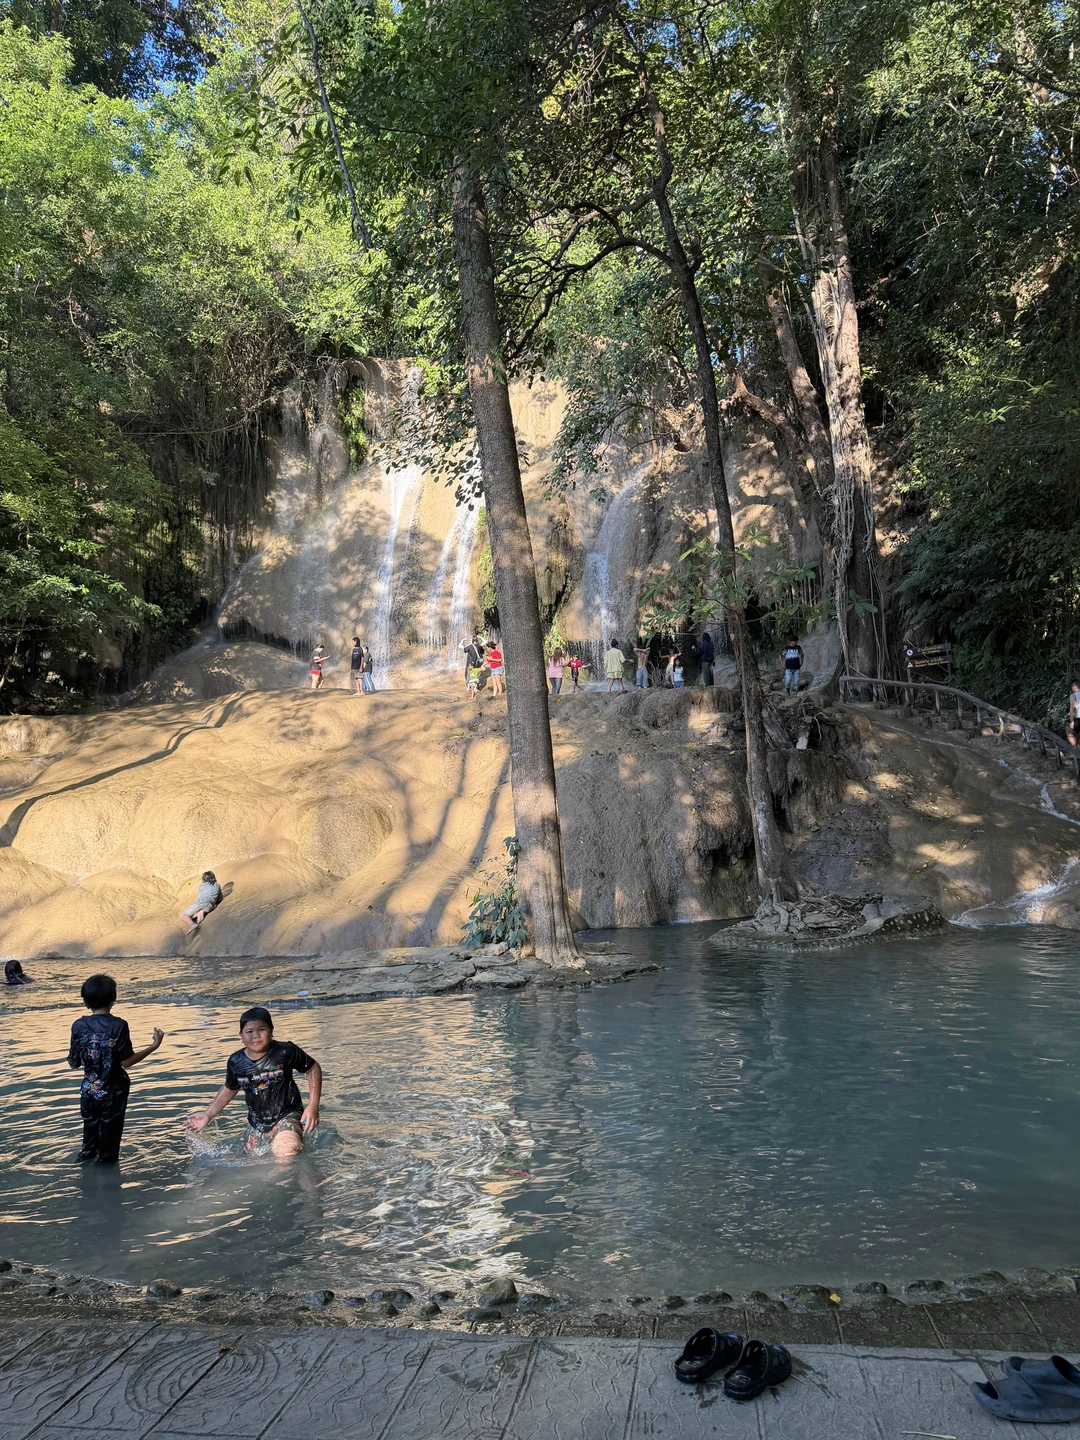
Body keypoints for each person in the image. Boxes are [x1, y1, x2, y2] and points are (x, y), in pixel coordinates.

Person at [187, 1006, 321, 1163]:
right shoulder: (236, 1061)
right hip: (256, 1123)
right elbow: (231, 1087)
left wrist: (313, 1105)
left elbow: (312, 1068)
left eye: (262, 1029)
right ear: (241, 1036)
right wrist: (208, 1114)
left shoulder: (285, 1051)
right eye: (249, 1032)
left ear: (271, 1031)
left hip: (287, 1114)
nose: (256, 1036)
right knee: (257, 1164)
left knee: (287, 1151)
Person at [68, 973, 164, 1164]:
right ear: (114, 998)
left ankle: (84, 1176)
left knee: (89, 1142)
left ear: (85, 1002)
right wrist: (154, 1045)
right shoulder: (119, 1025)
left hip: (88, 1091)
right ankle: (108, 1182)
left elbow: (74, 1062)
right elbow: (126, 1062)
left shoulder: (78, 1025)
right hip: (114, 1092)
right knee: (109, 1147)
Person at [463, 633, 485, 697]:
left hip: (470, 663)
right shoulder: (479, 646)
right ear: (477, 640)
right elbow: (484, 643)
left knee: (468, 675)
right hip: (477, 663)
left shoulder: (469, 646)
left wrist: (468, 643)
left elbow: (464, 649)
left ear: (472, 640)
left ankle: (469, 687)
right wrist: (480, 637)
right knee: (477, 675)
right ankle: (477, 687)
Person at [1069, 682, 1080, 747]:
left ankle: (1075, 749)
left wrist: (1072, 721)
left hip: (1078, 717)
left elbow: (1072, 708)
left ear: (1074, 688)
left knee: (1070, 732)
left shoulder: (1073, 695)